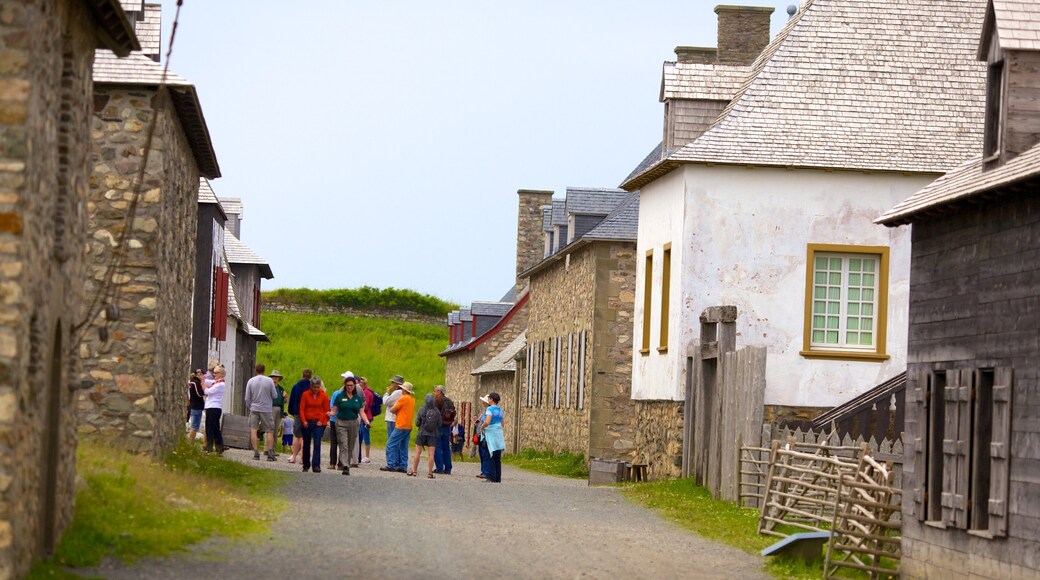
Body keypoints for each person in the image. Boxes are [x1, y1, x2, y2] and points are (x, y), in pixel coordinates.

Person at [332, 373, 369, 475]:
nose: (349, 387)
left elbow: (361, 412)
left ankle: (346, 463)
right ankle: (345, 466)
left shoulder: (357, 398)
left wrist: (366, 421)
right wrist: (330, 414)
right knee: (343, 444)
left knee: (350, 445)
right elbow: (334, 410)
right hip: (341, 423)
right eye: (347, 385)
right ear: (345, 385)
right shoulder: (340, 397)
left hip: (353, 423)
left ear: (354, 386)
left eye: (351, 385)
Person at [244, 363, 279, 461]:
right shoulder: (269, 381)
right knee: (269, 431)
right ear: (264, 370)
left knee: (253, 430)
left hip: (254, 408)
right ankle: (270, 454)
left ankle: (256, 452)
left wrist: (250, 406)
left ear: (256, 370)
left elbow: (247, 398)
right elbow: (275, 395)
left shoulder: (251, 381)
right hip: (266, 409)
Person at [380, 380, 415, 473]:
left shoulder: (403, 398)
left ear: (405, 390)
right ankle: (403, 465)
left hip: (401, 425)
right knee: (403, 446)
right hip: (408, 425)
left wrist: (397, 412)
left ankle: (391, 464)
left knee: (390, 444)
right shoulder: (412, 399)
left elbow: (392, 409)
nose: (401, 390)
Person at [298, 376, 330, 473]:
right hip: (307, 421)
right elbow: (302, 409)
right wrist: (304, 421)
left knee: (317, 443)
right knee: (306, 444)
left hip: (318, 423)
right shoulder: (305, 394)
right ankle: (306, 465)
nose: (316, 389)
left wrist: (321, 420)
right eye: (314, 387)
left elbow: (327, 410)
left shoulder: (323, 395)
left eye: (317, 387)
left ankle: (316, 465)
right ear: (311, 386)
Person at [409, 393, 441, 478]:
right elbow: (440, 424)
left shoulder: (421, 410)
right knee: (431, 454)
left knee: (417, 453)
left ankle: (414, 471)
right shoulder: (437, 411)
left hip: (421, 433)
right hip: (433, 435)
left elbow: (417, 423)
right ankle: (430, 473)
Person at [285, 369, 313, 464]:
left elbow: (291, 401)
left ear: (302, 375)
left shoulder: (296, 386)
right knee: (306, 437)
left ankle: (294, 457)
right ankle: (303, 458)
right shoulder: (311, 387)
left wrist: (292, 412)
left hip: (297, 413)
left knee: (297, 436)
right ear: (310, 376)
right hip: (308, 414)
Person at [480, 392, 505, 483]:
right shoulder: (500, 410)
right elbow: (502, 423)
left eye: (489, 398)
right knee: (497, 457)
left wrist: (482, 427)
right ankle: (498, 477)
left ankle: (491, 477)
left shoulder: (489, 409)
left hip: (490, 434)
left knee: (489, 455)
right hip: (498, 433)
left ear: (491, 399)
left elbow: (487, 421)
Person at [382, 374, 404, 467]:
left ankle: (392, 462)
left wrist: (386, 393)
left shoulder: (397, 393)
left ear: (397, 384)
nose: (391, 384)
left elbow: (386, 402)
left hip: (392, 419)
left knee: (392, 441)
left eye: (393, 382)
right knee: (397, 442)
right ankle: (397, 461)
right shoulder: (401, 393)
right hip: (396, 419)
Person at [433, 385, 456, 475]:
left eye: (435, 391)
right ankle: (448, 468)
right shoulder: (449, 401)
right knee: (446, 447)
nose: (434, 393)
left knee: (437, 446)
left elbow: (435, 413)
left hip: (439, 426)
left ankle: (439, 467)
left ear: (439, 392)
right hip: (447, 426)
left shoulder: (437, 400)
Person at [327, 373, 349, 470]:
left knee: (337, 442)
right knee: (339, 442)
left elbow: (332, 406)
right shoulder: (339, 394)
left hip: (337, 420)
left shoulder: (337, 393)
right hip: (339, 420)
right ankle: (337, 463)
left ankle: (335, 463)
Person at [203, 365, 226, 453]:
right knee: (216, 429)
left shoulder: (220, 384)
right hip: (214, 407)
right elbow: (208, 382)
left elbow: (207, 391)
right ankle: (219, 448)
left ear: (221, 374)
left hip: (213, 407)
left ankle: (209, 447)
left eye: (216, 373)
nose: (214, 374)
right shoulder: (216, 382)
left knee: (210, 428)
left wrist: (203, 385)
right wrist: (202, 378)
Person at [357, 377, 375, 464]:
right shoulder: (368, 391)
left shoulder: (366, 392)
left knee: (365, 435)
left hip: (365, 417)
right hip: (367, 416)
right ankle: (363, 455)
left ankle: (367, 456)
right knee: (363, 435)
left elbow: (366, 406)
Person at [474, 399, 491, 479]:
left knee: (484, 454)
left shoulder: (488, 412)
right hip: (480, 434)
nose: (483, 403)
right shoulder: (485, 411)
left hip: (484, 434)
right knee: (482, 454)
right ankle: (484, 471)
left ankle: (486, 472)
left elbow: (485, 421)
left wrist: (481, 425)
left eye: (484, 401)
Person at [187, 369, 205, 442]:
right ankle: (190, 442)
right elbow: (199, 393)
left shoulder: (192, 382)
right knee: (194, 427)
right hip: (197, 406)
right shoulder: (196, 383)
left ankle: (191, 441)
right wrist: (205, 391)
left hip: (193, 405)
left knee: (194, 426)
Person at [270, 370, 286, 438]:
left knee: (276, 428)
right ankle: (268, 444)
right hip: (271, 408)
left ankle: (274, 443)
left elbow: (284, 401)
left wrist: (285, 397)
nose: (275, 378)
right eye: (273, 376)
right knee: (270, 427)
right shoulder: (269, 387)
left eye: (276, 377)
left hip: (279, 409)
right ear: (271, 378)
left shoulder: (281, 388)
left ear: (279, 378)